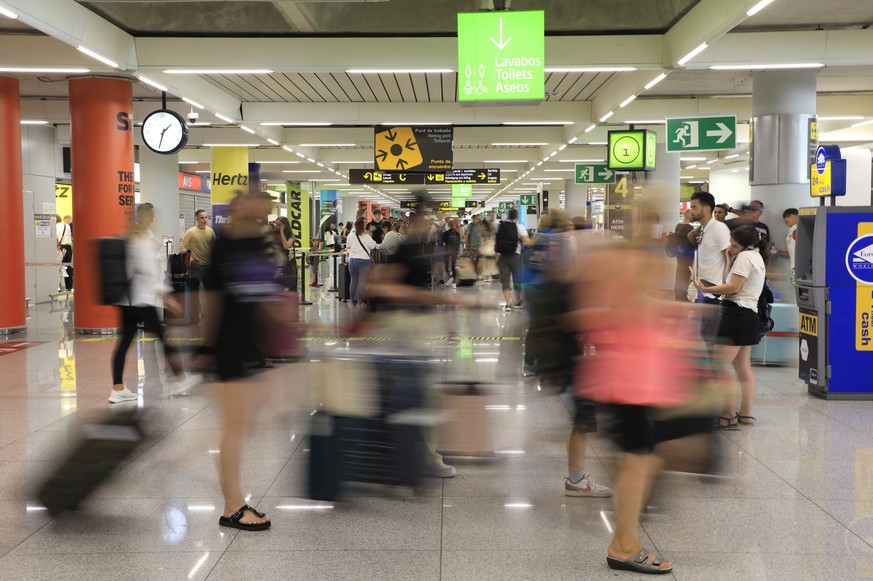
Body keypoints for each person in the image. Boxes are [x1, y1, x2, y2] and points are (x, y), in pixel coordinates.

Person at [202, 191, 290, 532]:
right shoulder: (228, 245)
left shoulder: (252, 242)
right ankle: (232, 506)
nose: (263, 209)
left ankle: (233, 500)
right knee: (235, 425)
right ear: (238, 206)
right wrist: (208, 348)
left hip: (249, 343)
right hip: (231, 343)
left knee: (244, 422)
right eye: (257, 203)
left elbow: (261, 296)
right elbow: (215, 301)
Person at [108, 203, 201, 403]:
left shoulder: (133, 237)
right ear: (145, 217)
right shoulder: (140, 239)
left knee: (125, 342)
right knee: (162, 337)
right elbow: (147, 272)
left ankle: (117, 388)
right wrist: (167, 296)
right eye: (151, 215)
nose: (153, 218)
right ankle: (179, 379)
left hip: (129, 299)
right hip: (142, 299)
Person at [694, 224, 768, 428]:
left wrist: (706, 288)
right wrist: (728, 260)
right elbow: (729, 280)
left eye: (734, 245)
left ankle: (728, 414)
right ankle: (746, 413)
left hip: (737, 314)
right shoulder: (756, 256)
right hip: (748, 315)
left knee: (721, 364)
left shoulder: (745, 258)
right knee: (743, 367)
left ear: (745, 246)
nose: (730, 247)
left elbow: (733, 288)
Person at [687, 192, 731, 345]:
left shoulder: (719, 229)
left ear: (706, 209)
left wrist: (724, 287)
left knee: (710, 339)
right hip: (701, 291)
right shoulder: (704, 229)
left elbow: (729, 258)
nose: (691, 210)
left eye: (694, 207)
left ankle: (713, 368)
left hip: (713, 293)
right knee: (702, 336)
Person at [496, 208, 531, 311]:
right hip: (515, 256)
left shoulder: (500, 226)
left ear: (507, 216)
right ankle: (517, 302)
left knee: (505, 281)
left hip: (502, 257)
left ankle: (507, 304)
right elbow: (526, 241)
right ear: (517, 216)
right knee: (517, 280)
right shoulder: (519, 227)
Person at [180, 209, 216, 290]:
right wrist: (190, 259)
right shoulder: (191, 231)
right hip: (196, 266)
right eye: (202, 218)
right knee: (194, 290)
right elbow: (182, 246)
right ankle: (195, 303)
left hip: (209, 266)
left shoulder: (211, 231)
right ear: (196, 219)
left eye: (206, 217)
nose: (205, 220)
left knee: (210, 290)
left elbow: (214, 247)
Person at [666, 209, 695, 302]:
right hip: (687, 254)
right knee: (686, 274)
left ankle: (678, 293)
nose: (693, 216)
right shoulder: (690, 228)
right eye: (692, 214)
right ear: (687, 215)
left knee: (679, 272)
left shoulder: (678, 226)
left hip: (679, 253)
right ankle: (683, 294)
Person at [346, 218, 376, 307]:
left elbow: (348, 247)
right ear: (363, 227)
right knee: (362, 282)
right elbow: (373, 246)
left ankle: (351, 302)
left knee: (353, 281)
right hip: (364, 261)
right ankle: (359, 302)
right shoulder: (367, 237)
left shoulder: (350, 236)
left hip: (353, 261)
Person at [272, 216, 296, 291]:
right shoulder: (273, 234)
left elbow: (286, 246)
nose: (276, 226)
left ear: (285, 225)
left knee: (289, 285)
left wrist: (282, 232)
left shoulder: (290, 235)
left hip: (288, 263)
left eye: (279, 225)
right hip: (275, 262)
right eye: (276, 224)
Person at [776, 208, 798, 285]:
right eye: (784, 217)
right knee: (795, 289)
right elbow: (792, 253)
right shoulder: (790, 232)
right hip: (793, 269)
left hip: (801, 269)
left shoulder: (799, 229)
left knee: (800, 291)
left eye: (788, 216)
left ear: (797, 216)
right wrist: (777, 252)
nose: (786, 219)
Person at [56, 214, 74, 291]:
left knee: (60, 267)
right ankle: (69, 286)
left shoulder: (55, 227)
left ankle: (60, 286)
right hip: (68, 248)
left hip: (61, 248)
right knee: (68, 267)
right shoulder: (67, 226)